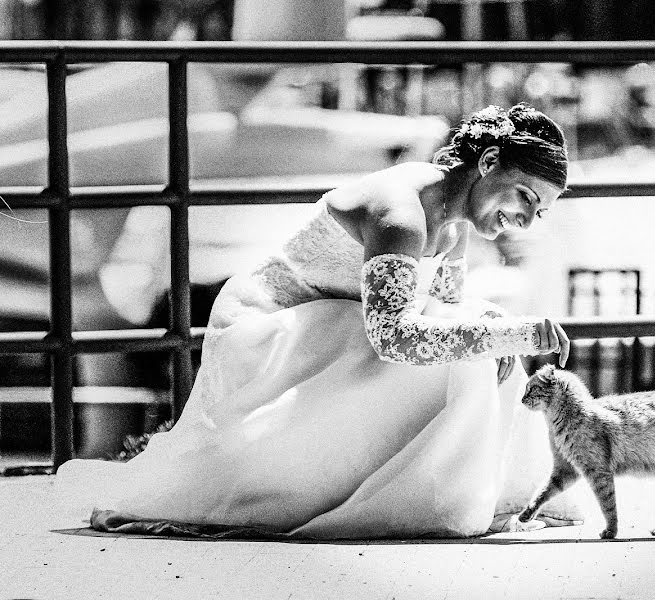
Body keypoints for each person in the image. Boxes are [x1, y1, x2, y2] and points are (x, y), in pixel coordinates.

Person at [56, 103, 584, 539]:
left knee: (485, 344)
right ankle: (410, 499)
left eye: (541, 212)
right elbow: (395, 338)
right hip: (270, 329)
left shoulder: (454, 222)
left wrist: (497, 331)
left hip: (336, 326)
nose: (528, 219)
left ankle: (462, 492)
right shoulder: (400, 215)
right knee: (481, 346)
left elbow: (443, 313)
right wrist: (506, 333)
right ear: (488, 161)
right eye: (527, 198)